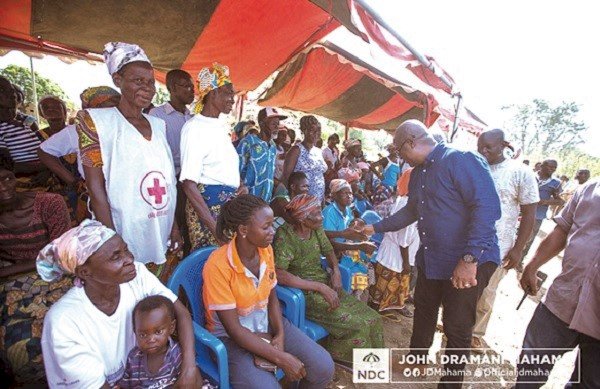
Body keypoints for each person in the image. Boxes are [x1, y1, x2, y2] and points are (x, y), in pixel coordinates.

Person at [364, 120, 501, 387]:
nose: (398, 155)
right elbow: (411, 211)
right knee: (424, 312)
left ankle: (449, 384)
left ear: (411, 142)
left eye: (398, 149)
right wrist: (374, 227)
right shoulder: (417, 173)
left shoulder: (461, 160)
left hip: (467, 261)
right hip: (432, 259)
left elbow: (487, 209)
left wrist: (469, 259)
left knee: (456, 327)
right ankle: (415, 363)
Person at [38, 220, 202, 388]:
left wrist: (189, 367)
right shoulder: (64, 321)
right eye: (116, 257)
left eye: (126, 250)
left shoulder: (137, 276)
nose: (130, 259)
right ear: (85, 272)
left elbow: (180, 312)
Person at [202, 194, 334, 388]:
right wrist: (281, 358)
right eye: (266, 227)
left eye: (272, 224)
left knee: (324, 368)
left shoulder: (265, 250)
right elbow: (235, 330)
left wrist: (279, 334)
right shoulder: (217, 265)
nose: (273, 231)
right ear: (243, 230)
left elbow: (272, 297)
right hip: (231, 340)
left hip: (265, 324)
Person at [77, 42, 181, 280]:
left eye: (150, 82)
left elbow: (165, 181)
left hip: (160, 226)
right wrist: (111, 239)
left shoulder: (159, 125)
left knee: (156, 293)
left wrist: (174, 225)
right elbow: (95, 187)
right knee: (127, 292)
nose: (147, 88)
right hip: (123, 228)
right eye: (137, 81)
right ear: (117, 80)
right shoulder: (95, 122)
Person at [273, 194, 384, 365]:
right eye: (317, 212)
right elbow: (280, 274)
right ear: (303, 218)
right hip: (304, 293)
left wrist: (336, 270)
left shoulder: (315, 229)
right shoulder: (284, 236)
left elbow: (328, 249)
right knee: (358, 325)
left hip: (324, 283)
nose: (322, 216)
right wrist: (319, 287)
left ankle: (375, 365)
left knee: (374, 318)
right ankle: (345, 360)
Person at [516, 180, 599, 388]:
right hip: (562, 300)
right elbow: (562, 230)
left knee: (589, 383)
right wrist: (533, 265)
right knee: (530, 369)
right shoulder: (589, 189)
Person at [0, 161, 71, 385]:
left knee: (68, 326)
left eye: (8, 178)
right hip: (14, 284)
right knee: (18, 344)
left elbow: (62, 254)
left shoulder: (50, 203)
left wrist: (11, 268)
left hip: (56, 275)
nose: (3, 187)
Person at [472, 129, 539, 351]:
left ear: (503, 146)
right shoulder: (475, 167)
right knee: (463, 287)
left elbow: (529, 214)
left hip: (499, 246)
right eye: (480, 147)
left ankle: (475, 333)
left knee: (486, 293)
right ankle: (456, 325)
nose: (483, 152)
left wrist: (518, 249)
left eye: (488, 147)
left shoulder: (520, 172)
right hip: (470, 243)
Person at [180, 63, 243, 250]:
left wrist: (240, 186)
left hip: (225, 207)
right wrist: (215, 228)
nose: (232, 99)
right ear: (213, 93)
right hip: (208, 209)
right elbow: (188, 183)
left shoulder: (219, 126)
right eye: (228, 93)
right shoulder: (195, 128)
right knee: (210, 265)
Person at [38, 87, 122, 223]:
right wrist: (70, 179)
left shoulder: (125, 127)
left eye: (118, 105)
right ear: (93, 108)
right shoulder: (77, 130)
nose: (116, 111)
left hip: (125, 193)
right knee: (102, 235)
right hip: (96, 196)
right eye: (110, 106)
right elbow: (45, 151)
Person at [119, 295, 215, 388]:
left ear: (171, 328)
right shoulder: (134, 360)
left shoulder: (176, 355)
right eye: (143, 335)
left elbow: (194, 381)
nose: (151, 339)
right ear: (135, 332)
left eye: (158, 332)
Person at [369, 168, 418, 321]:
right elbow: (403, 237)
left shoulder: (406, 199)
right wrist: (405, 261)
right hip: (398, 251)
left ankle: (392, 304)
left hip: (396, 249)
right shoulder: (408, 203)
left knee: (392, 280)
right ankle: (382, 307)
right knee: (395, 277)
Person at [0, 76, 49, 192]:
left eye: (12, 91)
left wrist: (48, 170)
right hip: (23, 185)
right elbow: (8, 167)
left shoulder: (24, 123)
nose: (12, 95)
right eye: (2, 90)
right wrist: (47, 166)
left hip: (43, 179)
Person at [519, 159, 563, 269]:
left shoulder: (555, 183)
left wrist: (546, 202)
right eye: (550, 167)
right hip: (520, 211)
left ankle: (520, 260)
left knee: (528, 239)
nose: (552, 170)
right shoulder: (530, 176)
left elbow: (560, 201)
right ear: (541, 166)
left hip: (537, 216)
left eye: (554, 168)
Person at [149, 70, 194, 176]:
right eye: (187, 86)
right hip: (170, 178)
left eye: (193, 87)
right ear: (173, 88)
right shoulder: (157, 115)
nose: (192, 91)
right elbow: (156, 153)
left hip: (193, 177)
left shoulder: (192, 118)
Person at [238, 107, 286, 203]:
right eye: (273, 124)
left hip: (265, 201)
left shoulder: (272, 146)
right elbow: (235, 170)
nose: (277, 127)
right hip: (247, 200)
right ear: (262, 124)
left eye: (278, 124)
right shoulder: (248, 142)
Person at [323, 179, 376, 256]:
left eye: (350, 193)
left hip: (345, 247)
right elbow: (329, 244)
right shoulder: (329, 213)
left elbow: (349, 228)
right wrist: (358, 246)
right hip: (333, 254)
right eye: (345, 193)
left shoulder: (347, 209)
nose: (349, 196)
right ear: (334, 195)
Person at [281, 116, 327, 203]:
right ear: (304, 131)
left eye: (318, 130)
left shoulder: (318, 151)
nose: (316, 133)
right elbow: (286, 177)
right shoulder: (296, 150)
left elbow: (320, 177)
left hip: (318, 201)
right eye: (312, 130)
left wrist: (322, 200)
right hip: (301, 202)